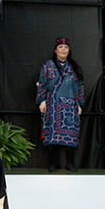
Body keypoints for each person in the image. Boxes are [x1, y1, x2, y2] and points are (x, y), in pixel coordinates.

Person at [36, 37, 85, 172]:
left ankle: (70, 163)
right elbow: (41, 84)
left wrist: (80, 104)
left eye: (66, 47)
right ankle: (52, 164)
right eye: (60, 47)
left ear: (69, 50)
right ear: (55, 50)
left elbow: (80, 87)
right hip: (52, 105)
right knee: (51, 136)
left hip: (70, 107)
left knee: (71, 136)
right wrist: (42, 101)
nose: (63, 49)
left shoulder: (74, 67)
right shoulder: (48, 65)